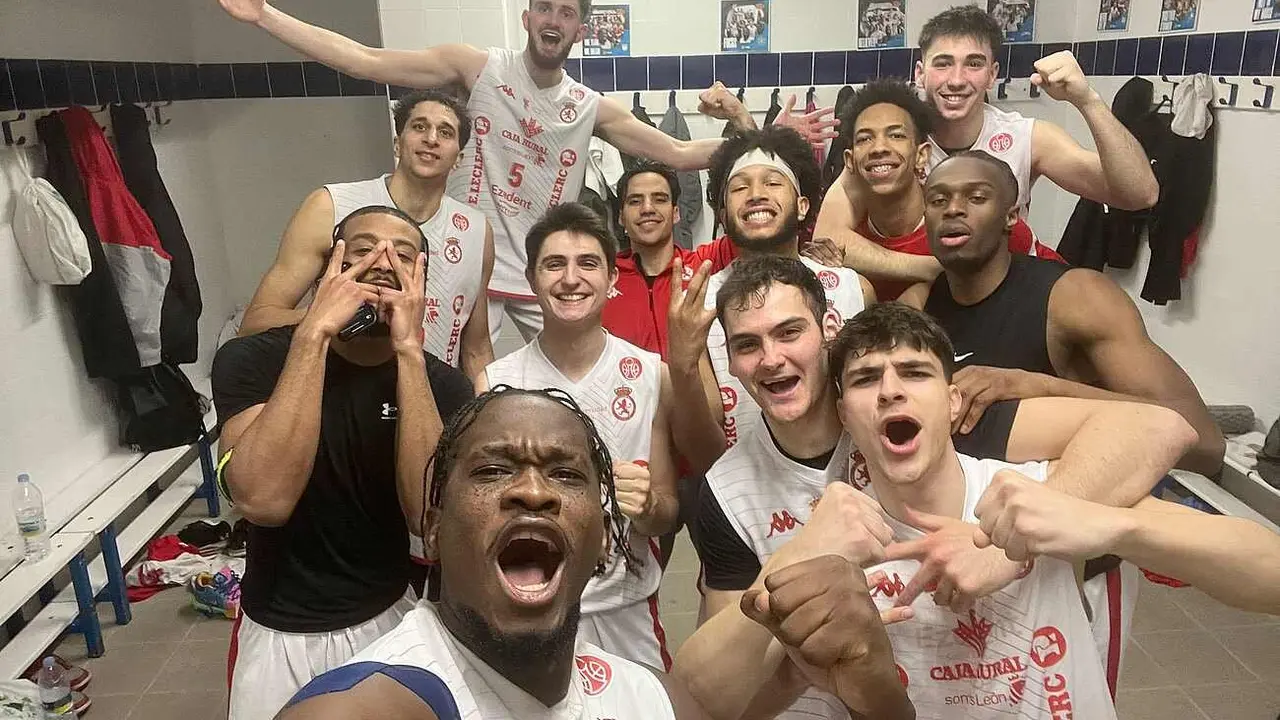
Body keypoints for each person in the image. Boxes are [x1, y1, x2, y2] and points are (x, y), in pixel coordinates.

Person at [673, 259, 1197, 719]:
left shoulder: (933, 416)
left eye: (789, 332)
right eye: (747, 345)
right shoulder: (726, 489)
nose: (770, 358)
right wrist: (803, 554)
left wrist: (1011, 545)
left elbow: (1154, 427)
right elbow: (712, 695)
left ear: (826, 331)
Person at [216, 0, 837, 345]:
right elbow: (365, 61)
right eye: (544, 7)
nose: (553, 20)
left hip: (542, 274)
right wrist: (267, 15)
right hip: (459, 257)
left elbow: (677, 155)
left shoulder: (588, 106)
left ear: (579, 26)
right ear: (527, 16)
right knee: (426, 368)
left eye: (567, 13)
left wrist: (767, 137)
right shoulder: (477, 67)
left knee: (600, 368)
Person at [276, 387, 912, 719]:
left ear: (605, 536)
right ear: (434, 527)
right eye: (494, 470)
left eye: (566, 475)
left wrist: (877, 696)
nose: (532, 491)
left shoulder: (644, 697)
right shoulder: (364, 706)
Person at [898, 151, 1225, 682]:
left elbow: (1201, 436)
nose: (953, 210)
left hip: (1073, 572)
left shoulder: (1073, 297)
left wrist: (1041, 386)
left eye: (976, 198)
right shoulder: (920, 307)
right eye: (938, 200)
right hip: (967, 562)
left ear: (1011, 215)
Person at [824, 298, 1185, 716]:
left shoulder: (1025, 490)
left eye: (914, 372)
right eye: (866, 379)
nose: (890, 391)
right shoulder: (839, 542)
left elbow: (1164, 425)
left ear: (954, 402)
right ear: (843, 415)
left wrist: (1011, 544)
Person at [212, 206, 475, 719]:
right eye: (361, 250)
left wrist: (409, 350)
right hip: (277, 635)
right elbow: (262, 498)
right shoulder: (252, 360)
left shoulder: (443, 386)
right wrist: (314, 333)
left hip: (393, 619)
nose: (381, 262)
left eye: (402, 255)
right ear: (329, 266)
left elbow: (429, 517)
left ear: (421, 281)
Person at [478, 203, 707, 669]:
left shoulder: (648, 374)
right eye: (554, 264)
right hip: (529, 608)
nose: (571, 278)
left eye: (587, 263)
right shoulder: (496, 383)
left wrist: (646, 508)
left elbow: (665, 512)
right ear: (531, 278)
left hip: (626, 611)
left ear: (611, 279)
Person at [812, 4, 1158, 287]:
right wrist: (938, 271)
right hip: (930, 297)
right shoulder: (894, 142)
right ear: (920, 73)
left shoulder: (1027, 137)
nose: (957, 80)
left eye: (973, 64)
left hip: (1009, 292)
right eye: (943, 63)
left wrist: (1088, 101)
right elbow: (829, 235)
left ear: (992, 74)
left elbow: (1139, 194)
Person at [236, 90, 495, 383]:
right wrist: (335, 310)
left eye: (445, 132)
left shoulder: (476, 231)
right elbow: (255, 322)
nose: (431, 139)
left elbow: (476, 350)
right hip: (340, 394)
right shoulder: (330, 206)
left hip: (431, 401)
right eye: (419, 126)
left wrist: (491, 412)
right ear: (398, 143)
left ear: (458, 159)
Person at [695, 126, 874, 457]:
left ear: (803, 205)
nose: (756, 194)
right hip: (751, 492)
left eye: (773, 182)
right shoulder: (701, 307)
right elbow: (704, 438)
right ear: (723, 216)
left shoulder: (853, 288)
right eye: (739, 188)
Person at [803, 80, 1062, 301]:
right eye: (865, 138)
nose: (878, 147)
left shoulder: (973, 221)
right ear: (849, 161)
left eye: (896, 135)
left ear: (921, 155)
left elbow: (1061, 287)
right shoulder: (840, 243)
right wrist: (936, 270)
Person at [601, 162, 738, 560]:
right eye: (635, 201)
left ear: (677, 212)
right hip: (633, 458)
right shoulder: (602, 277)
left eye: (660, 199)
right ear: (622, 217)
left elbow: (756, 226)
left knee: (725, 571)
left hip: (702, 456)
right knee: (633, 576)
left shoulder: (706, 268)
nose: (648, 209)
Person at [972, 472, 1280, 617]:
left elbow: (1270, 571)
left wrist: (1114, 525)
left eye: (922, 374)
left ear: (954, 399)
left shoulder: (1028, 475)